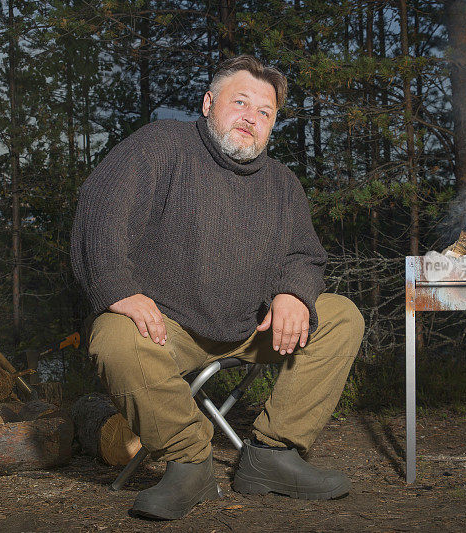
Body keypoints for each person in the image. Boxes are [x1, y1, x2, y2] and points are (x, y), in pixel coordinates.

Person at [70, 55, 364, 520]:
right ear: (209, 103)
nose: (251, 117)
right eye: (240, 102)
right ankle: (189, 461)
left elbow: (304, 256)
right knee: (112, 336)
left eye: (265, 112)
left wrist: (293, 293)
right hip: (167, 328)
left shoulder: (284, 185)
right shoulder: (162, 146)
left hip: (251, 325)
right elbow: (101, 206)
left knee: (341, 316)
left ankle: (273, 455)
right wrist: (116, 285)